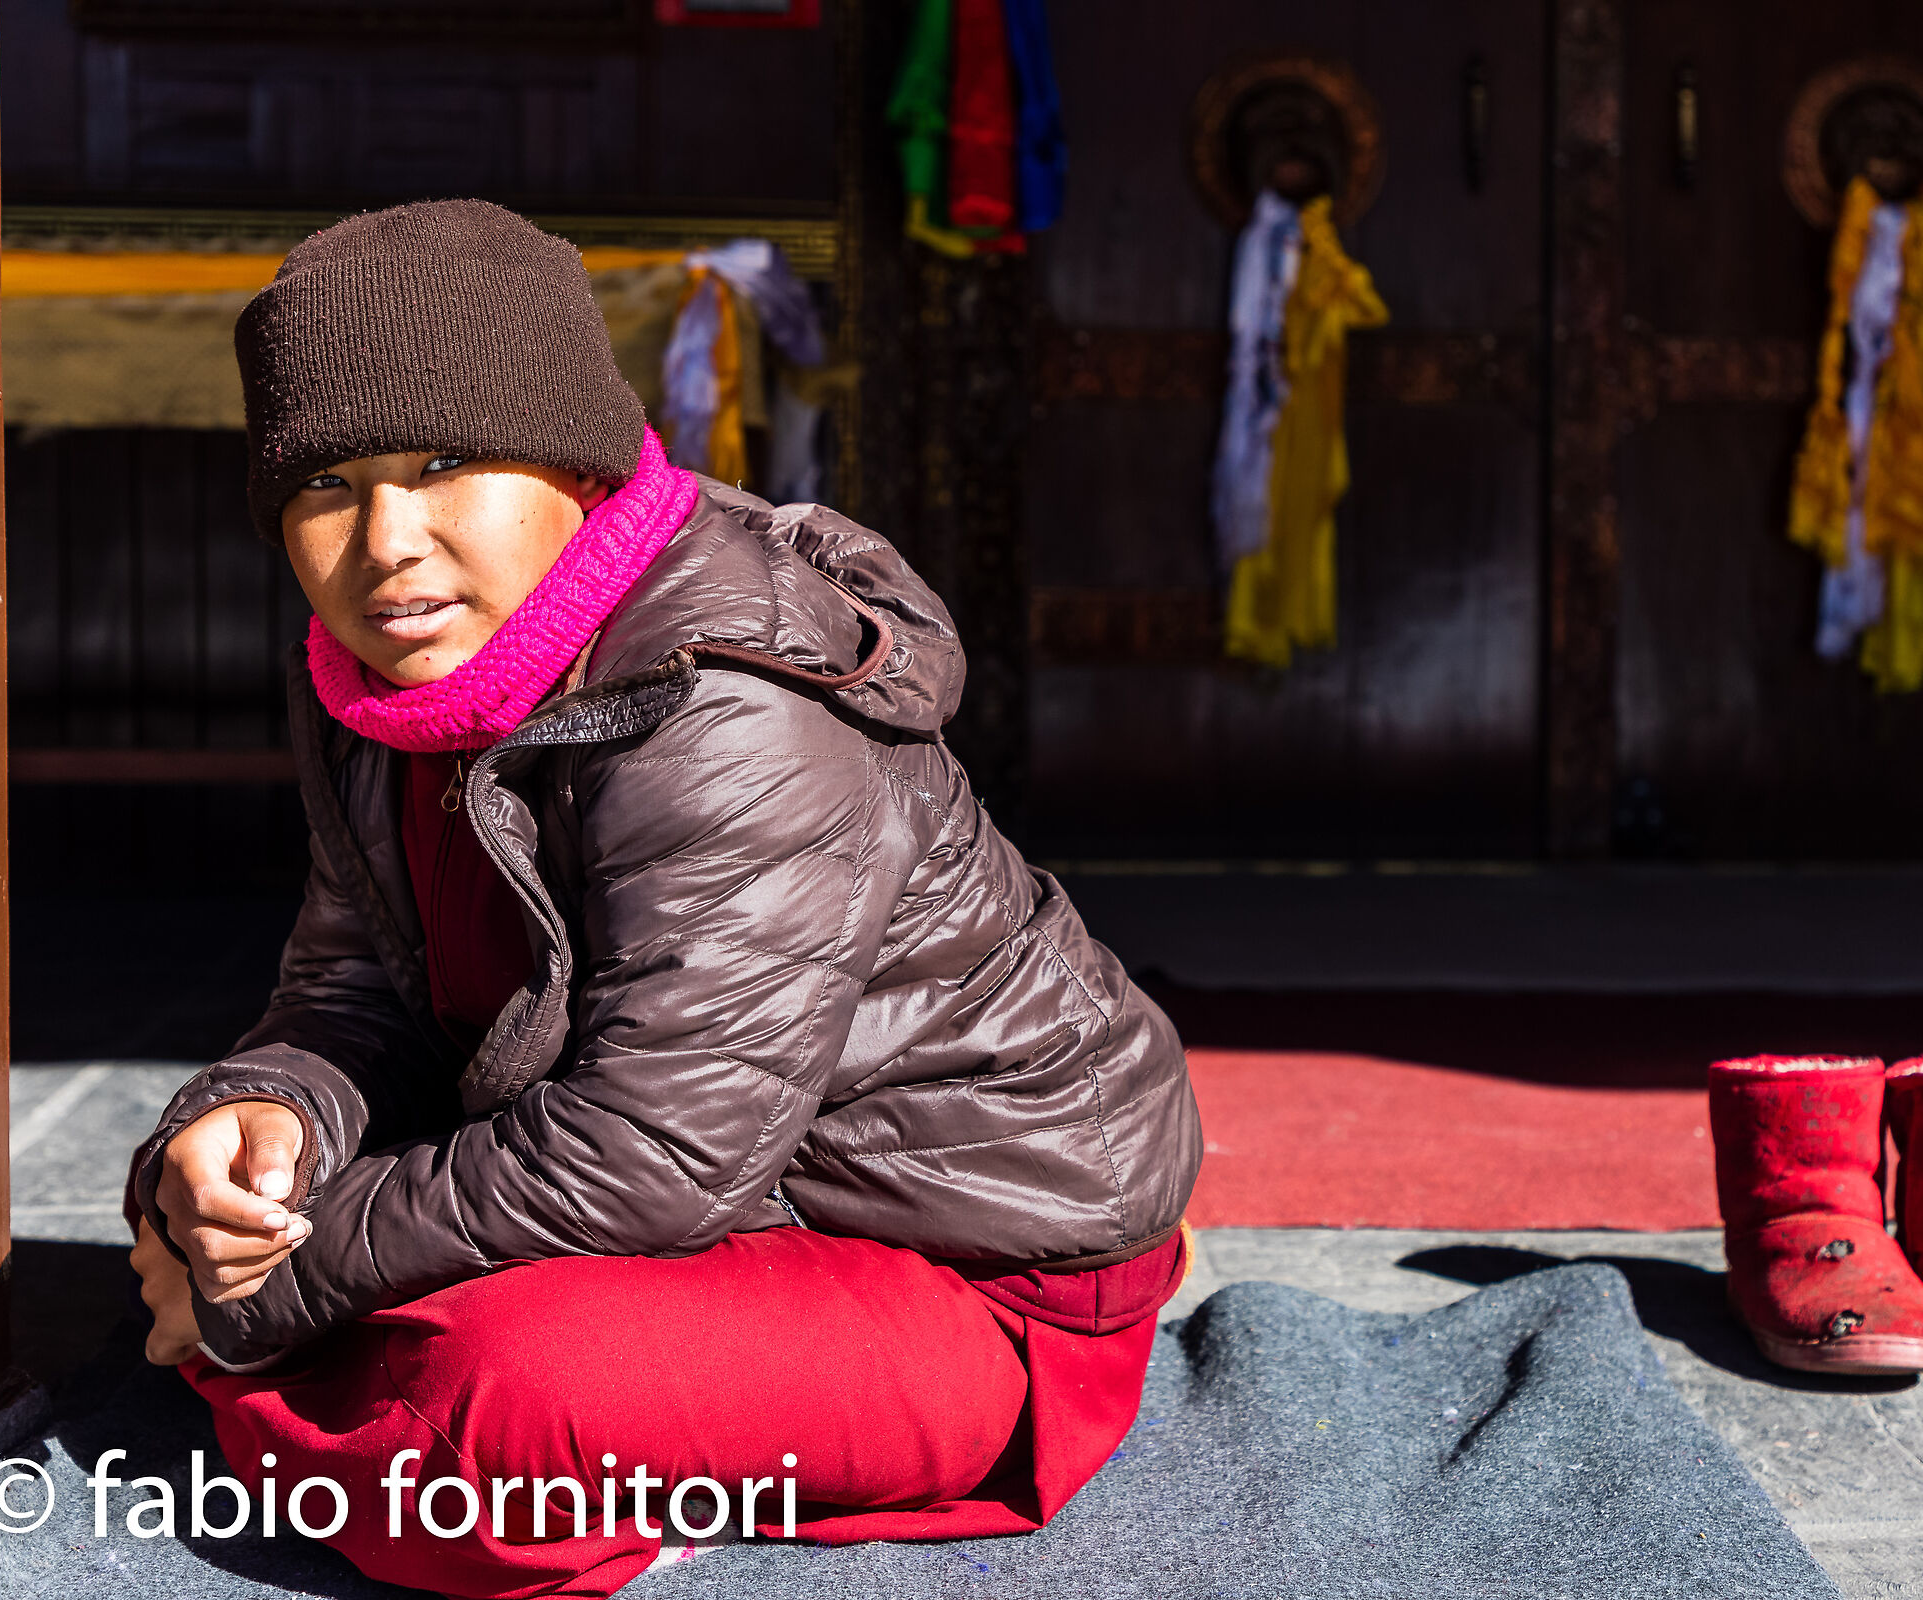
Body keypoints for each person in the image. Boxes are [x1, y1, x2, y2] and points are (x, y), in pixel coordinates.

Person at [122, 198, 1202, 1599]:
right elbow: (354, 993)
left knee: (490, 1414)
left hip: (962, 1254)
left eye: (448, 462)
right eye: (325, 487)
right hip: (679, 1194)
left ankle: (285, 1364)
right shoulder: (376, 682)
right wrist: (249, 1130)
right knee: (232, 1239)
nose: (386, 540)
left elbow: (652, 1152)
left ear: (572, 470)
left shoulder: (726, 698)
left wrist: (266, 1284)